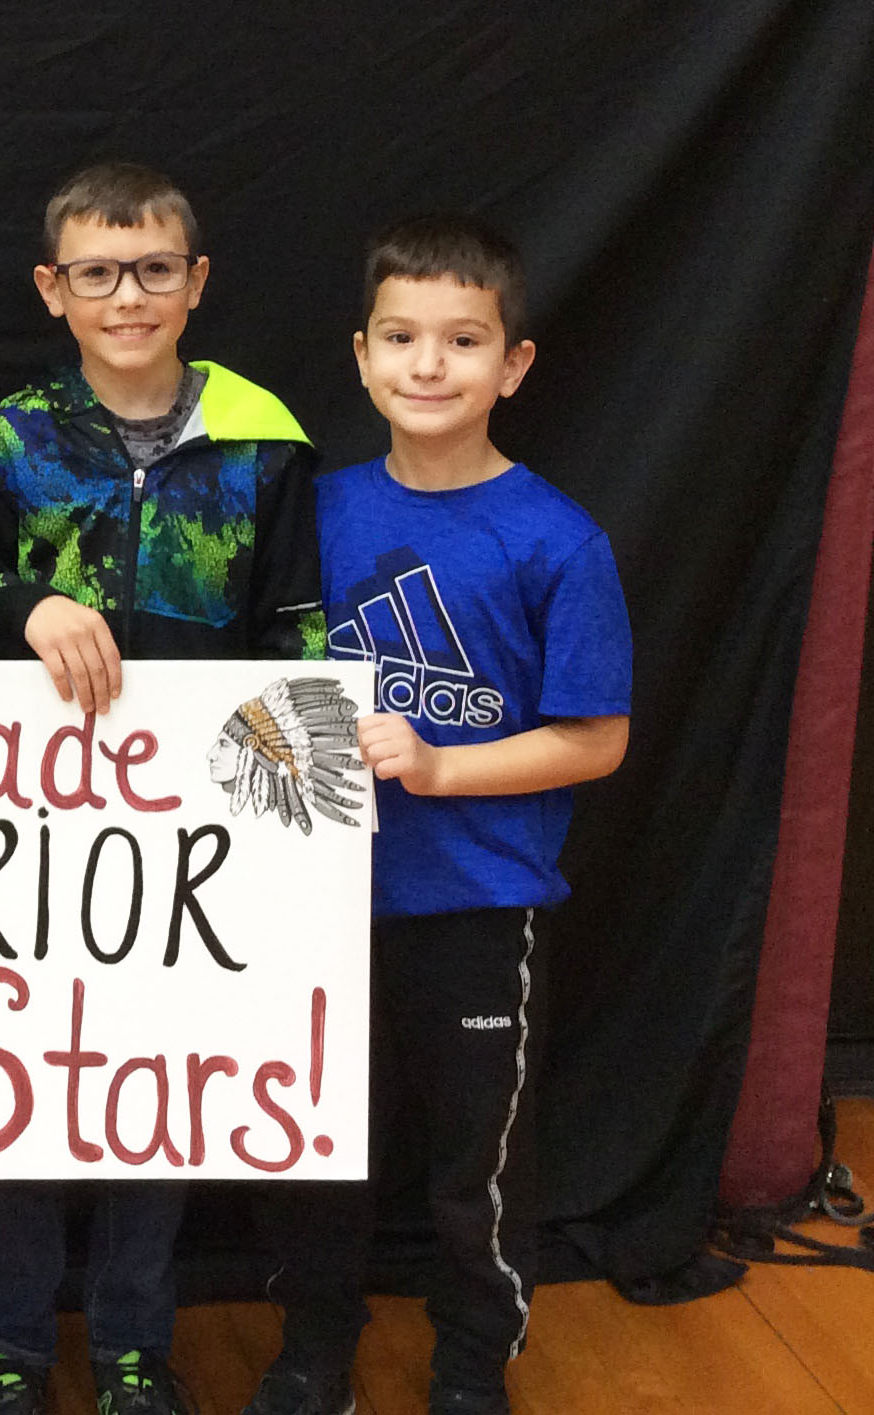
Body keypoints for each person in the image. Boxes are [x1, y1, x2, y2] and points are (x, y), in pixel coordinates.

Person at [0, 160, 323, 1415]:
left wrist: (295, 831)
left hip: (196, 838)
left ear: (195, 282)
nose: (129, 295)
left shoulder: (267, 436)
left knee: (151, 1097)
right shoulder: (11, 436)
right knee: (24, 1091)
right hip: (33, 826)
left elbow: (301, 629)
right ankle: (8, 1346)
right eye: (99, 273)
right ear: (55, 288)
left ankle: (130, 1347)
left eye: (155, 270)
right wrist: (30, 604)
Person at [242, 214, 631, 1415]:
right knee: (318, 1152)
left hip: (476, 901)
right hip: (318, 904)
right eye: (402, 337)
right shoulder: (312, 508)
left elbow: (597, 738)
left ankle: (471, 1368)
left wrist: (441, 767)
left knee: (476, 1172)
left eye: (462, 341)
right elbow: (254, 679)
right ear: (361, 355)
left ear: (512, 364)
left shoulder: (558, 539)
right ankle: (316, 1351)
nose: (428, 364)